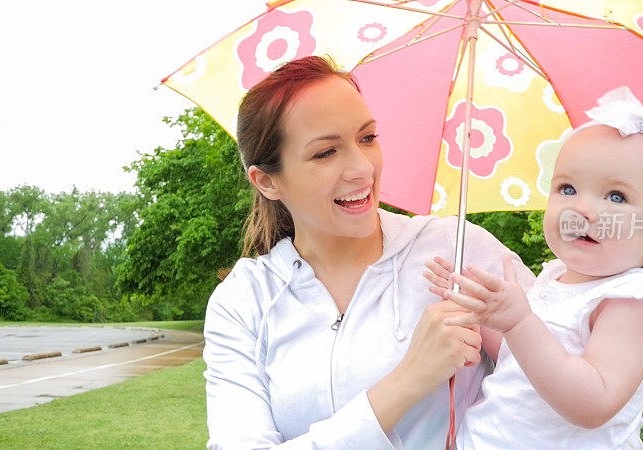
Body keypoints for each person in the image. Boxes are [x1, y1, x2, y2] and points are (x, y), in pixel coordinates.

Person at [202, 55, 535, 449]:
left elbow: (557, 384)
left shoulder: (456, 249)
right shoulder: (245, 301)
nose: (362, 168)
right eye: (326, 152)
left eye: (367, 138)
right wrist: (408, 380)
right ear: (267, 181)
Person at [426, 86, 643, 448]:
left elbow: (593, 403)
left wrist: (519, 321)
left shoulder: (634, 300)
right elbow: (522, 360)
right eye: (568, 189)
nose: (583, 209)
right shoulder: (555, 276)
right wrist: (482, 311)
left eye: (616, 196)